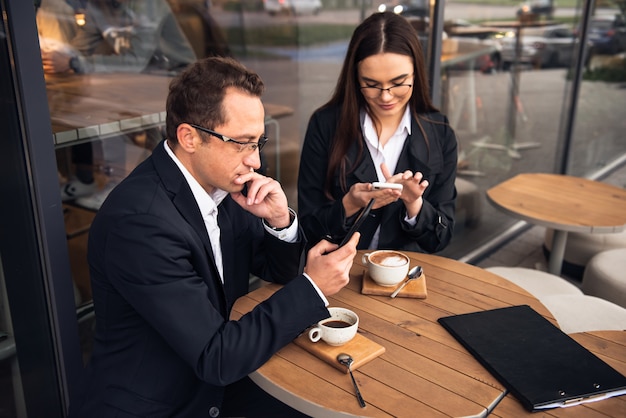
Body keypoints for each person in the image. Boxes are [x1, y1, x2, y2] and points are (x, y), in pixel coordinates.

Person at [67, 56, 360, 417]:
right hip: (163, 403)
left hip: (220, 379)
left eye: (258, 142)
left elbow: (275, 271)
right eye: (242, 143)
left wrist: (280, 222)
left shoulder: (222, 184)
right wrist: (314, 288)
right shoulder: (141, 223)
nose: (255, 160)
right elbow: (215, 356)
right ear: (189, 137)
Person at [297, 12, 458, 253]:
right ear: (355, 77)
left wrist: (414, 204)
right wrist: (349, 205)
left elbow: (440, 238)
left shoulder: (440, 132)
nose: (385, 96)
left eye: (398, 82)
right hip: (338, 276)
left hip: (406, 277)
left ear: (416, 72)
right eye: (371, 84)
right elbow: (308, 228)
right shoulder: (326, 125)